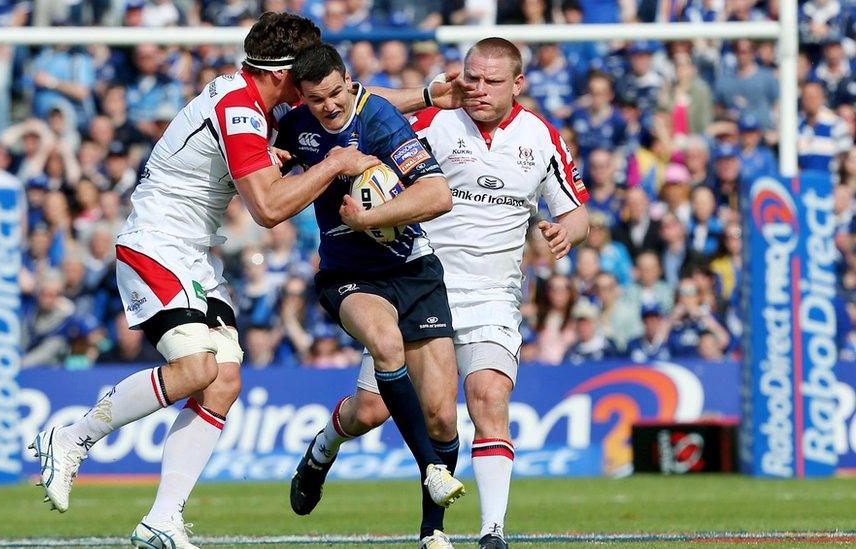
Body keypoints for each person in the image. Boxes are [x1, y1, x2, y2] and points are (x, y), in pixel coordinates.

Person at [30, 13, 482, 549]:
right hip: (158, 242)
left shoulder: (261, 95)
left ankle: (162, 519)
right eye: (305, 77)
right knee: (196, 368)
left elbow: (353, 99)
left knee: (222, 382)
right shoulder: (242, 110)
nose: (317, 91)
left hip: (196, 252)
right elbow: (268, 208)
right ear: (284, 74)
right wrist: (332, 164)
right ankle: (73, 437)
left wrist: (429, 93)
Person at [285, 38, 589, 549]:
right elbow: (361, 104)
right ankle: (324, 446)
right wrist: (427, 93)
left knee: (487, 398)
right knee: (370, 412)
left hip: (493, 294)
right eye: (471, 77)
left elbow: (576, 211)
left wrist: (567, 232)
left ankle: (490, 532)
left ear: (519, 85)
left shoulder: (542, 138)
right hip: (421, 281)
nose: (478, 89)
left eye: (492, 81)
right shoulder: (435, 121)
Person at [275, 43, 465, 549]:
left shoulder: (379, 119)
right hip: (348, 273)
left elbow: (438, 195)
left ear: (349, 81)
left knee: (427, 414)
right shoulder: (292, 123)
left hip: (412, 270)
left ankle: (326, 450)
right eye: (316, 100)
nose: (329, 106)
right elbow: (260, 156)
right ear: (303, 98)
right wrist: (274, 160)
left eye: (336, 93)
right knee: (384, 341)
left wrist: (368, 217)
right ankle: (431, 471)